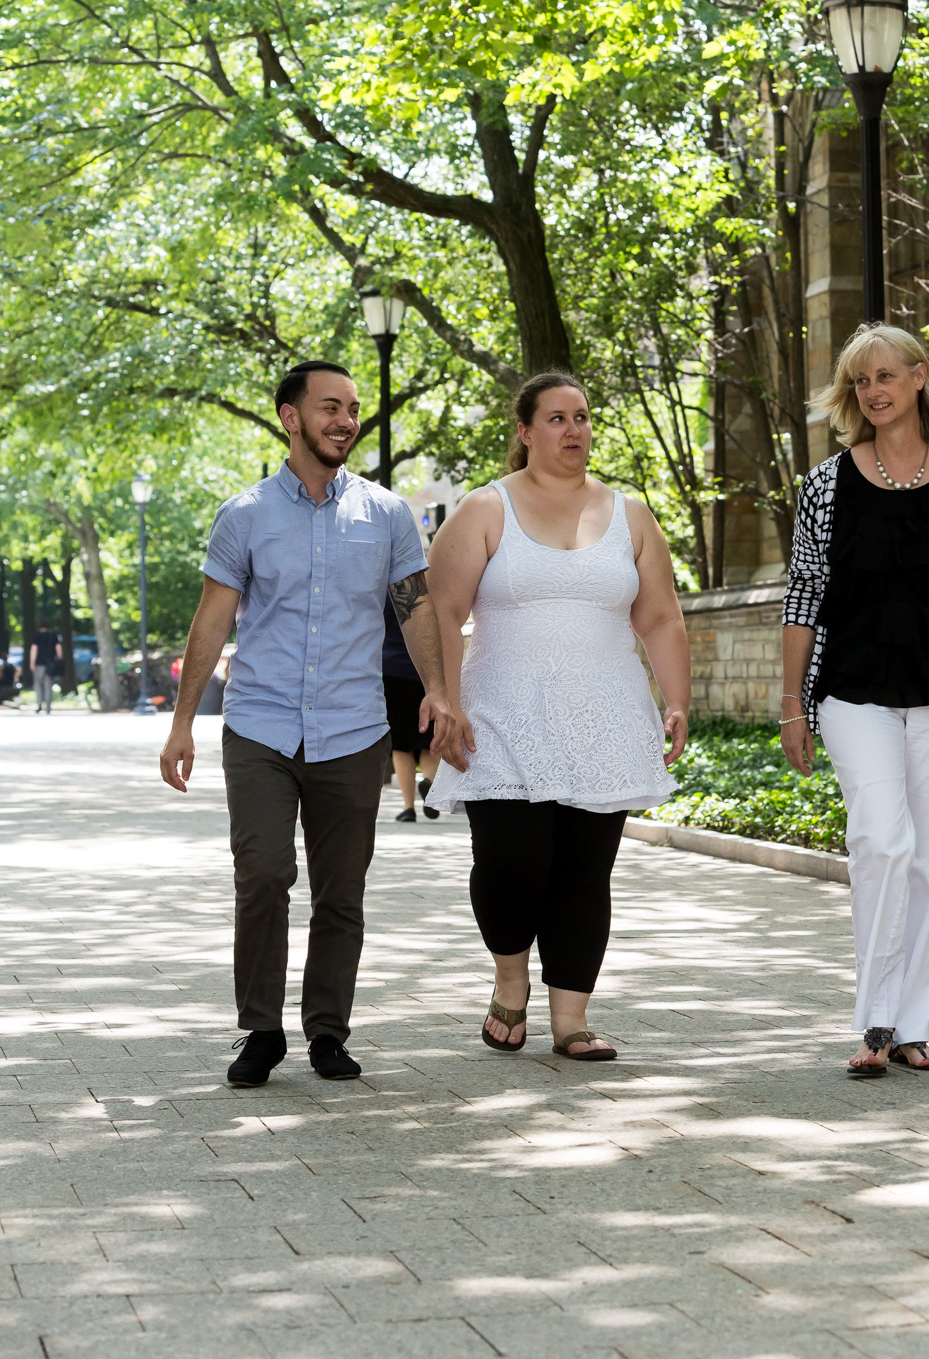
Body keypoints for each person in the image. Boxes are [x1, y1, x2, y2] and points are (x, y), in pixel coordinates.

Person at [159, 360, 467, 1088]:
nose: (345, 420)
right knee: (263, 873)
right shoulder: (244, 514)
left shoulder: (387, 514)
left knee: (342, 890)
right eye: (330, 407)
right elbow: (213, 619)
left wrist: (439, 692)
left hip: (354, 729)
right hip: (261, 725)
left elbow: (414, 607)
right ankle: (261, 1030)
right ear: (291, 416)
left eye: (353, 409)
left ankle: (328, 1030)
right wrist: (181, 724)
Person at [780, 324, 929, 1077]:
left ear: (920, 378)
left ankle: (912, 1024)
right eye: (861, 381)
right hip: (854, 691)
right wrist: (793, 705)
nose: (873, 391)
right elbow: (803, 598)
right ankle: (874, 1021)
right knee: (882, 841)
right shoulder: (826, 486)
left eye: (886, 375)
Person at [427, 371, 691, 1062]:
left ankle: (571, 1020)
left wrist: (677, 700)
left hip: (604, 719)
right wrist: (445, 701)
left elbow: (660, 616)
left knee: (584, 871)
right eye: (555, 418)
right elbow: (442, 610)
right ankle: (509, 981)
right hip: (503, 717)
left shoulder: (630, 515)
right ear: (524, 431)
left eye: (581, 417)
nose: (573, 430)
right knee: (514, 864)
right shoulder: (486, 510)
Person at [382, 596, 440, 822]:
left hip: (392, 668)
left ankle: (408, 807)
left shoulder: (387, 592)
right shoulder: (427, 590)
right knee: (427, 739)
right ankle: (430, 784)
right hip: (424, 673)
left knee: (400, 744)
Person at [30, 624, 60, 714]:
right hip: (50, 664)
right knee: (48, 685)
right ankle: (48, 707)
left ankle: (39, 704)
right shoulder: (53, 635)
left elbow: (34, 649)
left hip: (39, 664)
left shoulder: (37, 636)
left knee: (38, 685)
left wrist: (32, 663)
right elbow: (58, 647)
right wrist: (59, 659)